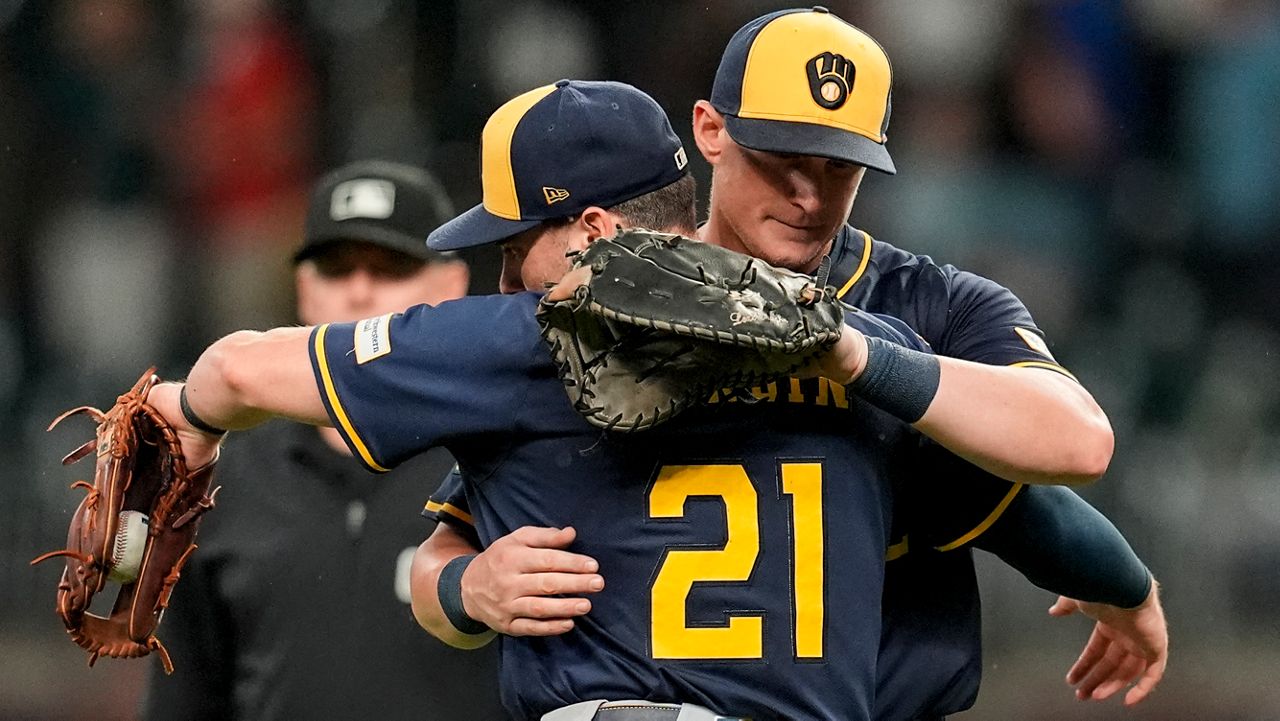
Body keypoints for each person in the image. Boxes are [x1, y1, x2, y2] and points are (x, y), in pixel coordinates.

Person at [416, 8, 1167, 720]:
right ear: (710, 131)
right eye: (781, 160)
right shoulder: (619, 302)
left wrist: (854, 359)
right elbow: (451, 536)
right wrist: (465, 585)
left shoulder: (928, 305)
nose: (809, 195)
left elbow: (1071, 448)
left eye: (838, 167)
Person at [135, 80, 960, 721]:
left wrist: (184, 412)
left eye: (515, 242)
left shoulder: (523, 343)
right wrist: (1099, 589)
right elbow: (1064, 476)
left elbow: (239, 370)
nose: (506, 277)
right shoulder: (860, 344)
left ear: (590, 231)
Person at [140, 161, 502, 721]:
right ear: (305, 291)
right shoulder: (223, 478)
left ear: (451, 286)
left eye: (390, 268)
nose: (358, 292)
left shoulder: (499, 462)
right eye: (336, 269)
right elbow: (187, 693)